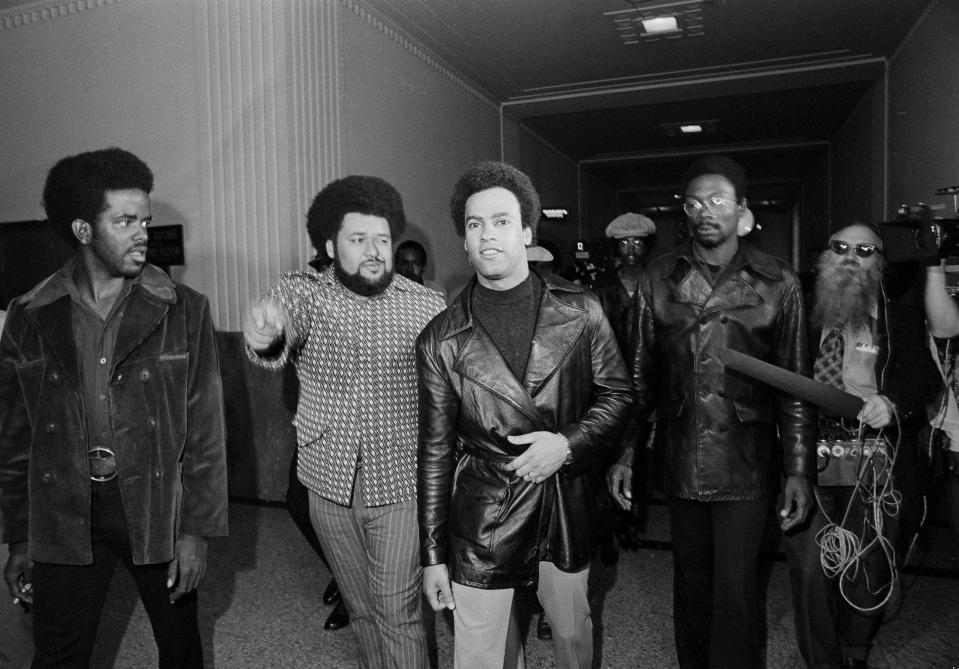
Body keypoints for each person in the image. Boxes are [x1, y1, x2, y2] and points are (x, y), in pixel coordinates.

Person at [0, 147, 228, 667]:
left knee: (180, 649)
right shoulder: (29, 316)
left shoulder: (183, 309)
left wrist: (196, 531)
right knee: (57, 654)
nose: (142, 232)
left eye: (144, 219)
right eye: (125, 221)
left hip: (154, 509)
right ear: (83, 230)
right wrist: (17, 536)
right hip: (64, 513)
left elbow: (206, 432)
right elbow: (14, 441)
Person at [417, 161, 633, 669]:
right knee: (480, 653)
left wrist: (568, 443)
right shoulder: (440, 339)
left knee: (572, 638)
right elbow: (433, 452)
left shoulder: (582, 310)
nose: (488, 235)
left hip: (563, 500)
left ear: (527, 231)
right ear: (465, 243)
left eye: (501, 221)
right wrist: (433, 555)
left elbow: (618, 396)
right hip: (484, 509)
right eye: (475, 225)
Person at [609, 155, 815, 669]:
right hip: (682, 452)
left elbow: (794, 387)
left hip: (746, 457)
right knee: (691, 582)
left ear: (742, 210)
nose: (706, 211)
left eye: (718, 200)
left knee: (736, 587)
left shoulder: (777, 282)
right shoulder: (659, 279)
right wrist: (625, 455)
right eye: (694, 202)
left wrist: (799, 469)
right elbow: (637, 380)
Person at [243, 175, 445, 668]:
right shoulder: (307, 292)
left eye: (382, 240)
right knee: (362, 610)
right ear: (331, 245)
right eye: (359, 240)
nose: (374, 251)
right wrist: (266, 334)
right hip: (326, 483)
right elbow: (281, 324)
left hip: (399, 484)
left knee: (397, 610)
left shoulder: (427, 306)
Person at [784, 224, 941, 669]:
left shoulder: (900, 317)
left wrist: (893, 403)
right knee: (812, 569)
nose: (852, 256)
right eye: (841, 248)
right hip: (804, 453)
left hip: (874, 456)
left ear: (880, 263)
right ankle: (822, 661)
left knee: (866, 563)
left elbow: (925, 377)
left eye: (865, 250)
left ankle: (855, 650)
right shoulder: (796, 312)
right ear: (823, 259)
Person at [594, 213, 656, 553]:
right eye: (623, 242)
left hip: (648, 390)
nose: (630, 248)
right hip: (608, 388)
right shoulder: (602, 288)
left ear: (646, 246)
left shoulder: (659, 284)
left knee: (639, 463)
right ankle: (606, 529)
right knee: (605, 457)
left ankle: (631, 523)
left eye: (637, 242)